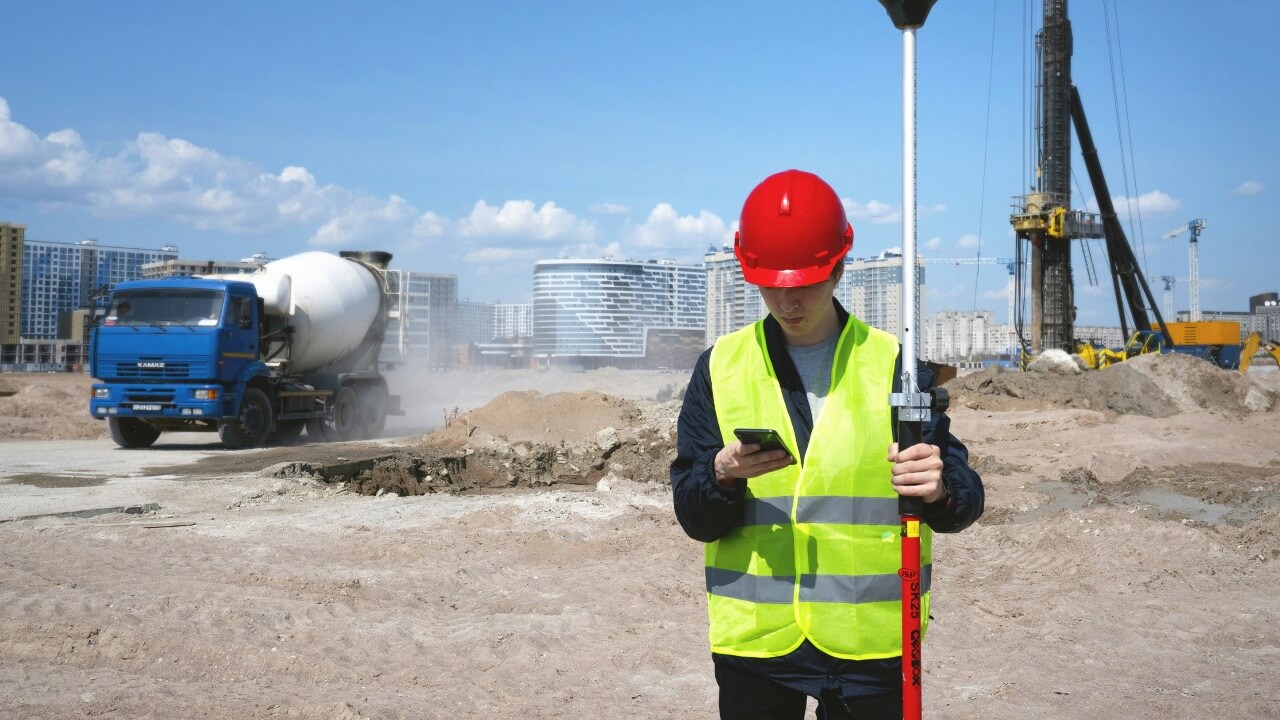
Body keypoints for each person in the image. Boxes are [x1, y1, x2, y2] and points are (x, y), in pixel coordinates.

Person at [671, 169, 984, 719]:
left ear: (838, 267)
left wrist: (939, 490)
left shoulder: (896, 367)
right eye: (774, 285)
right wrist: (719, 473)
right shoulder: (720, 368)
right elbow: (694, 518)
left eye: (806, 284)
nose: (788, 301)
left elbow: (963, 501)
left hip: (871, 641)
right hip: (759, 644)